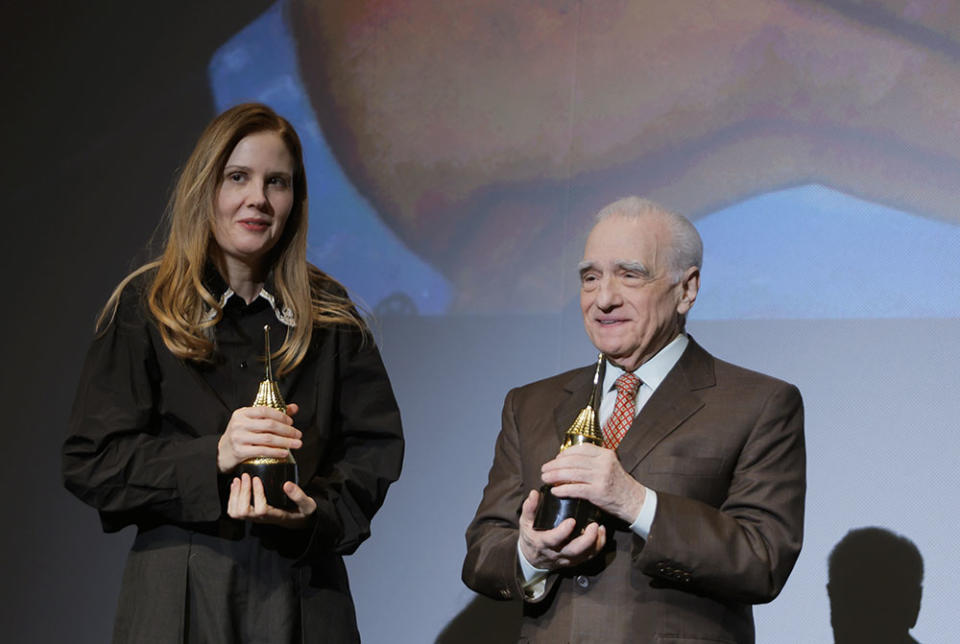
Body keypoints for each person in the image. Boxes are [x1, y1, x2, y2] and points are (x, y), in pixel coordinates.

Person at [62, 103, 404, 643]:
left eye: (278, 182)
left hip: (303, 591)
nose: (258, 200)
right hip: (180, 590)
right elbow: (93, 462)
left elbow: (373, 453)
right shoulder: (144, 307)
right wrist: (214, 456)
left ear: (295, 200)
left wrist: (314, 515)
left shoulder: (332, 315)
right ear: (205, 188)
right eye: (237, 177)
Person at [462, 197, 805, 643]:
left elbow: (762, 560)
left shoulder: (759, 403)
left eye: (630, 275)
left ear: (687, 289)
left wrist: (634, 501)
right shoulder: (529, 404)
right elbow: (483, 551)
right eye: (590, 278)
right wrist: (530, 554)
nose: (604, 299)